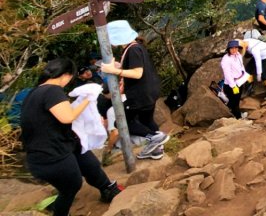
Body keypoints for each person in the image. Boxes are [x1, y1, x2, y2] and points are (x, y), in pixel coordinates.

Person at [20, 59, 124, 216]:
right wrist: (88, 99)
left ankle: (107, 189)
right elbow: (67, 117)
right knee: (72, 184)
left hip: (53, 147)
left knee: (89, 162)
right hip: (51, 153)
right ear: (66, 75)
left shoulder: (34, 92)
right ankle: (59, 211)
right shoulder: (52, 90)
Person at [98, 20, 168, 160]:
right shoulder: (135, 47)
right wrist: (119, 67)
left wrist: (113, 70)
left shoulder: (133, 49)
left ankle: (154, 137)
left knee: (120, 121)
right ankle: (157, 150)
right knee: (146, 120)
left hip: (139, 95)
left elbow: (137, 73)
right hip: (149, 92)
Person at [240, 35, 266, 99]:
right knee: (247, 71)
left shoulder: (253, 49)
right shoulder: (244, 42)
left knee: (263, 75)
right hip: (261, 53)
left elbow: (258, 61)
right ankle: (249, 89)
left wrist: (259, 75)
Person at [220, 39, 250, 119]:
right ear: (228, 49)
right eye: (232, 48)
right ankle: (239, 117)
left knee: (236, 99)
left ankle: (231, 111)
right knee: (235, 102)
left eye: (236, 48)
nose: (234, 50)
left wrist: (245, 75)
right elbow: (227, 74)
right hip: (231, 84)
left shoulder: (238, 55)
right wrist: (233, 86)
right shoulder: (226, 60)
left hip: (240, 81)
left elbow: (241, 66)